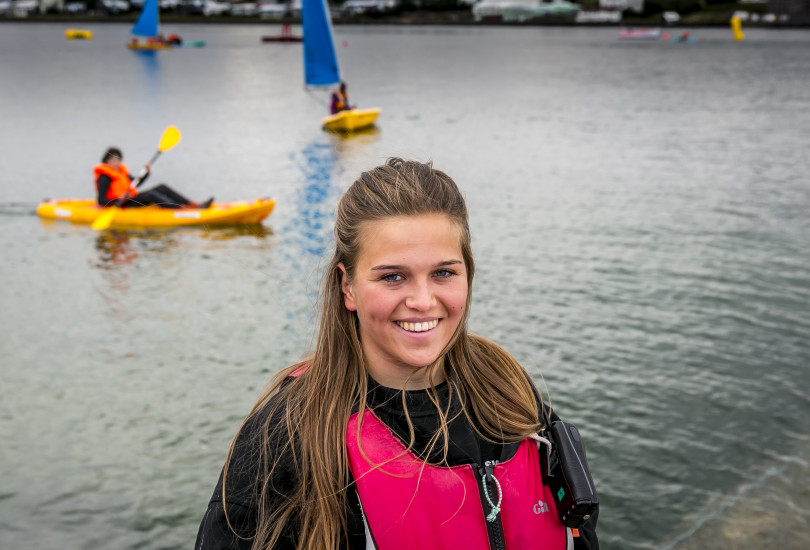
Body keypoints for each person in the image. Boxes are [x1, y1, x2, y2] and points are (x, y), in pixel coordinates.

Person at [194, 158, 599, 549]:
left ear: (467, 275)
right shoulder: (288, 432)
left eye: (443, 273)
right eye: (392, 277)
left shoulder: (512, 394)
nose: (423, 301)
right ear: (347, 287)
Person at [94, 147, 212, 209]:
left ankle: (193, 204)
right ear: (107, 161)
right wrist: (120, 199)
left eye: (118, 160)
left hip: (130, 199)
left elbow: (135, 183)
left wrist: (146, 173)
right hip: (121, 205)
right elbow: (101, 201)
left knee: (161, 187)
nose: (116, 163)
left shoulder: (120, 171)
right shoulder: (105, 177)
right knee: (150, 195)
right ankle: (183, 209)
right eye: (113, 160)